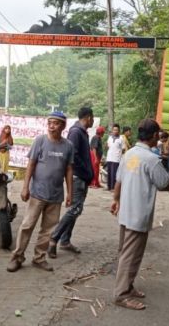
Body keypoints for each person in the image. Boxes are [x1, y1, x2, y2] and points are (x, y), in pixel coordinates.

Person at [110, 118, 169, 310]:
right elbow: (164, 183)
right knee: (130, 255)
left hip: (126, 211)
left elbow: (119, 180)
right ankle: (121, 294)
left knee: (129, 253)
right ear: (155, 136)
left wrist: (115, 200)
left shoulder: (129, 153)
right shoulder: (151, 159)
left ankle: (128, 286)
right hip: (138, 214)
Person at [7, 112, 73, 273]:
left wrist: (70, 193)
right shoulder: (40, 141)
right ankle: (17, 258)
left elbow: (69, 169)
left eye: (56, 123)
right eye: (49, 123)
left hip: (56, 195)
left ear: (63, 126)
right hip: (37, 193)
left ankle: (39, 258)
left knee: (47, 230)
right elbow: (31, 164)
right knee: (27, 225)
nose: (51, 126)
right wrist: (25, 187)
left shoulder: (68, 146)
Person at [49, 107, 94, 257]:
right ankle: (54, 238)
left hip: (82, 177)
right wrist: (85, 172)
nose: (92, 121)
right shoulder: (76, 132)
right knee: (75, 209)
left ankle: (65, 240)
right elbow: (72, 155)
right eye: (92, 118)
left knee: (76, 209)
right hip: (77, 177)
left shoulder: (81, 132)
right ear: (88, 117)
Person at [106, 124, 123, 191]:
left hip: (116, 158)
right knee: (109, 172)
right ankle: (109, 186)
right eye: (114, 130)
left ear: (119, 131)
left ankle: (113, 187)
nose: (115, 131)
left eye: (116, 130)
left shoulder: (121, 138)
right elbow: (107, 146)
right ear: (112, 130)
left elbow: (123, 148)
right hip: (109, 157)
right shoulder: (109, 137)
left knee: (114, 173)